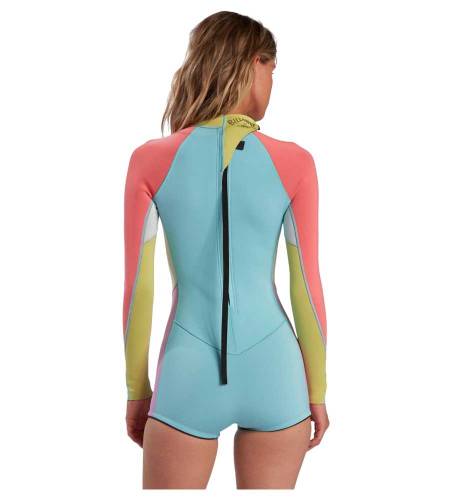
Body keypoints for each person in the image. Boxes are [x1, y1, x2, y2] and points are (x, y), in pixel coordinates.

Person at [122, 10, 329, 489]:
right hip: (277, 371)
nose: (273, 83)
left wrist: (137, 388)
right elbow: (306, 286)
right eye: (272, 69)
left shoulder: (150, 160)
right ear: (253, 62)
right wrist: (316, 388)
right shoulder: (295, 162)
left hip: (187, 371)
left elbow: (138, 290)